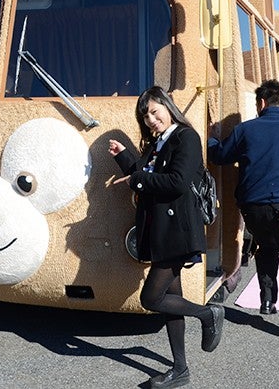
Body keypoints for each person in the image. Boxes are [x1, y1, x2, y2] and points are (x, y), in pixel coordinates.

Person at [109, 86, 223, 389]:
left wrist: (137, 178)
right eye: (145, 115)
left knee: (152, 298)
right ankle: (180, 369)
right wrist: (125, 159)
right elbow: (148, 174)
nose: (150, 119)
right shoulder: (159, 142)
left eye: (154, 111)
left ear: (168, 107)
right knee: (171, 300)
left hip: (178, 232)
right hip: (161, 231)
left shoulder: (185, 136)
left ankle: (208, 313)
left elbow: (176, 182)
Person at [208, 80, 279, 338]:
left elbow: (219, 156)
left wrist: (213, 137)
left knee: (266, 249)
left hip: (251, 209)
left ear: (261, 103)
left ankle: (267, 302)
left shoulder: (245, 129)